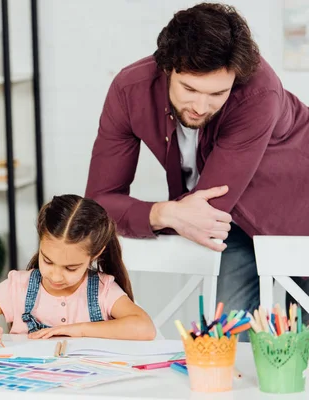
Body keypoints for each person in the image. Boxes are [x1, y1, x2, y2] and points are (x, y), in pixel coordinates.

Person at [84, 2, 309, 336]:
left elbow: (205, 210)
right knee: (225, 339)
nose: (201, 107)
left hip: (299, 210)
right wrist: (163, 213)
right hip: (227, 225)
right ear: (166, 68)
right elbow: (98, 204)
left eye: (217, 93)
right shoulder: (129, 90)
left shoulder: (260, 90)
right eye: (189, 89)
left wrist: (169, 214)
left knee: (297, 351)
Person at [0, 194, 156, 348]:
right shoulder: (18, 288)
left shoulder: (102, 290)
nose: (55, 276)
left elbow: (144, 328)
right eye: (48, 261)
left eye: (71, 268)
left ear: (96, 253)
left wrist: (79, 330)